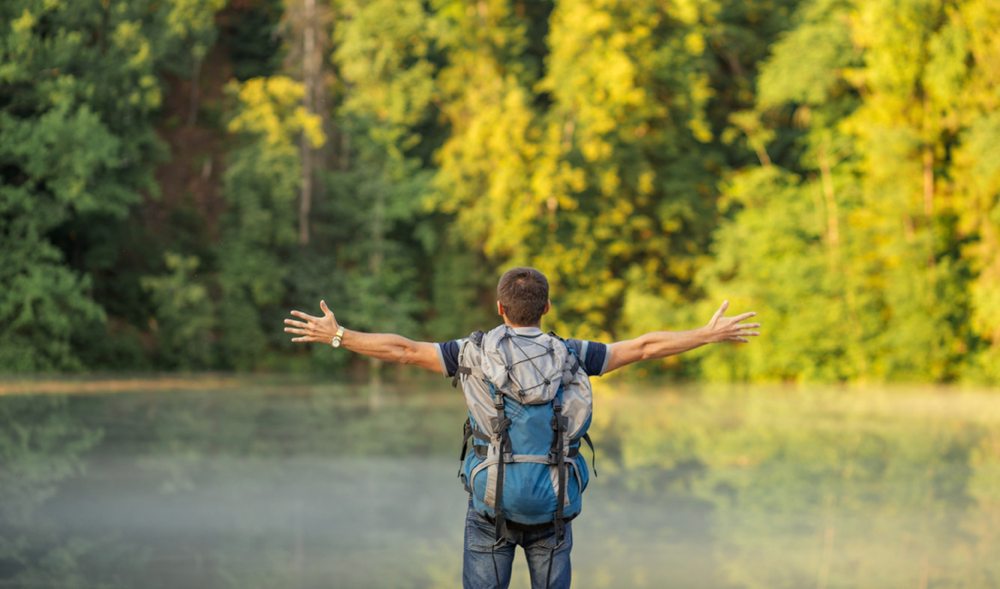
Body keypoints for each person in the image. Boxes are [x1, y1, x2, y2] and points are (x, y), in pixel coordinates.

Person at [284, 266, 760, 589]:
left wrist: (340, 335)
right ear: (546, 308)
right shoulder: (573, 353)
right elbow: (643, 347)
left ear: (499, 308)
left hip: (490, 506)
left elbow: (404, 349)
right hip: (553, 507)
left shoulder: (472, 353)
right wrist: (707, 333)